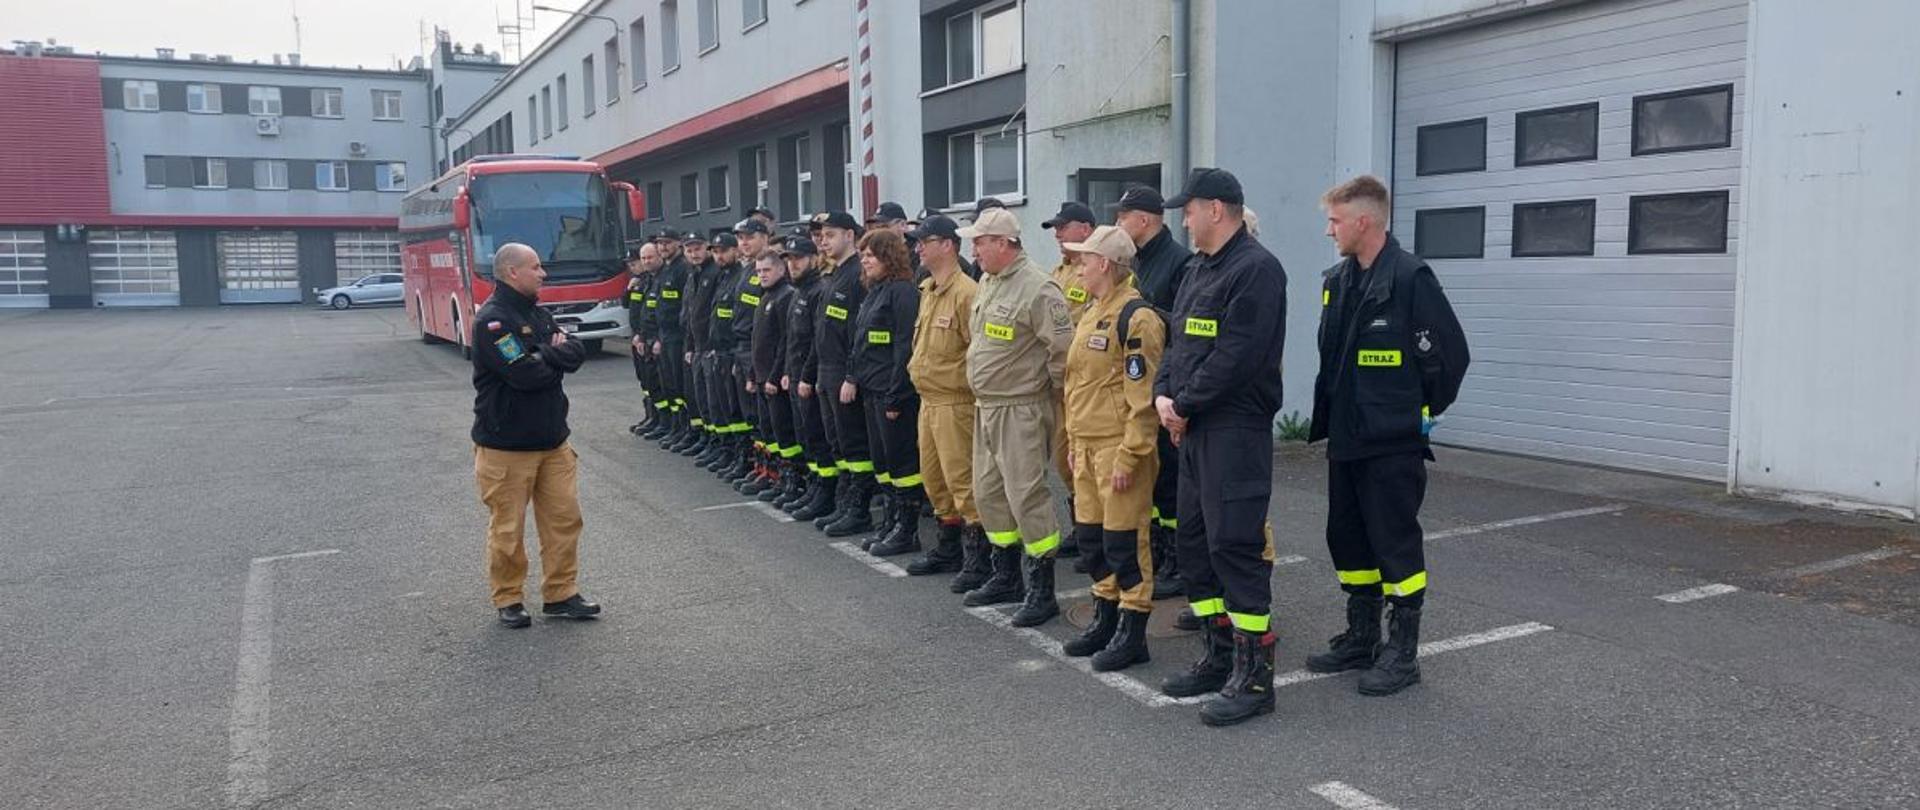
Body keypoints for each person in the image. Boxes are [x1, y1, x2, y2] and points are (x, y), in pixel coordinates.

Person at [1306, 175, 1469, 696]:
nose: (1329, 231)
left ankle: (1402, 652)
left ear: (1363, 221)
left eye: (1335, 221)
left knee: (1394, 544)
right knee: (1347, 539)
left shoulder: (1410, 278)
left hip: (1391, 442)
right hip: (1347, 438)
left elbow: (1451, 358)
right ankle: (1361, 634)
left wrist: (1416, 411)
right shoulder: (1338, 280)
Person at [1152, 168, 1288, 726]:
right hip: (1193, 425)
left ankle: (1255, 678)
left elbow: (1237, 355)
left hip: (1233, 428)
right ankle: (1219, 655)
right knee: (1195, 544)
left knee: (1235, 546)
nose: (1182, 218)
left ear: (1217, 209)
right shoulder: (1198, 271)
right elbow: (1178, 344)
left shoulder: (1256, 270)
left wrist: (1182, 405)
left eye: (1188, 209)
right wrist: (1164, 394)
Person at [470, 243, 600, 628]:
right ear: (512, 272)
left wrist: (543, 354)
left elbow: (576, 352)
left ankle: (560, 595)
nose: (543, 273)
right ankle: (509, 598)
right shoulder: (492, 322)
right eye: (536, 266)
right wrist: (550, 356)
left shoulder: (539, 315)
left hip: (553, 441)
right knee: (508, 529)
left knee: (564, 520)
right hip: (506, 446)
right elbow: (524, 375)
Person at [958, 207, 1074, 627]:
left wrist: (1055, 401)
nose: (974, 248)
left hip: (1022, 407)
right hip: (986, 405)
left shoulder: (1038, 287)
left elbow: (1062, 351)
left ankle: (1042, 588)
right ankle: (1005, 573)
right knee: (988, 492)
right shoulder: (989, 281)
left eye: (980, 241)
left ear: (1004, 244)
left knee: (1027, 494)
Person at [1058, 225, 1165, 672]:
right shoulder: (1092, 311)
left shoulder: (1137, 318)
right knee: (1092, 539)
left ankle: (1132, 628)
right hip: (1085, 446)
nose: (1078, 265)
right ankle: (1104, 614)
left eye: (1085, 259)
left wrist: (1130, 453)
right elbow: (1078, 381)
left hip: (1118, 450)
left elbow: (1143, 398)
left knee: (1125, 541)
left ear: (1105, 263)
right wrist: (1073, 441)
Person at [1114, 184, 1192, 599]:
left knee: (1173, 482)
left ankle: (1179, 561)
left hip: (1167, 389)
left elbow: (1182, 328)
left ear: (1143, 220)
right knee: (1156, 479)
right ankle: (1162, 553)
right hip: (1141, 386)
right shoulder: (1137, 261)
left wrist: (1143, 316)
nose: (1118, 224)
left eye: (1122, 217)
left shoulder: (1178, 262)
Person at [902, 215, 985, 585]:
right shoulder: (928, 290)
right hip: (929, 400)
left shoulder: (967, 293)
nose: (917, 247)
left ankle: (978, 559)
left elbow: (977, 354)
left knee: (962, 482)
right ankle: (949, 548)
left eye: (925, 240)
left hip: (956, 403)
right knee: (935, 481)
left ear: (948, 245)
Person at [848, 229, 925, 556]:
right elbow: (863, 340)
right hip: (872, 391)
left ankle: (906, 530)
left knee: (902, 462)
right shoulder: (875, 292)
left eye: (871, 254)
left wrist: (896, 396)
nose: (864, 260)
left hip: (893, 396)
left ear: (889, 257)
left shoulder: (902, 293)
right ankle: (891, 522)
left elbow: (904, 348)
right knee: (882, 461)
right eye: (863, 254)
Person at [811, 212, 881, 538]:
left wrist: (852, 376)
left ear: (850, 236)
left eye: (831, 234)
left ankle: (859, 509)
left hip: (844, 373)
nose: (823, 241)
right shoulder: (834, 274)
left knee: (854, 444)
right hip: (827, 371)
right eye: (822, 236)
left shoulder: (857, 276)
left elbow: (861, 331)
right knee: (836, 443)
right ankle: (844, 502)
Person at [777, 233, 838, 518]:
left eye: (798, 259)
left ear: (814, 259)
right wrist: (789, 372)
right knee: (806, 437)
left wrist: (806, 376)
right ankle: (815, 486)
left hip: (810, 379)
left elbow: (817, 340)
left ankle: (826, 493)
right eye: (789, 260)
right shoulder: (798, 291)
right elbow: (792, 339)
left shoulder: (818, 291)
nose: (793, 265)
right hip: (797, 375)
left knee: (818, 437)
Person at [720, 219, 773, 484]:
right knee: (748, 413)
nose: (743, 243)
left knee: (764, 415)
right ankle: (757, 465)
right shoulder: (746, 270)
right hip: (740, 348)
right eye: (740, 238)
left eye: (749, 237)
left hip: (757, 349)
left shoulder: (770, 269)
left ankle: (772, 472)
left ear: (764, 236)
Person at [748, 250, 798, 497]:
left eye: (766, 270)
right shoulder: (765, 296)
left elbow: (784, 341)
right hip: (761, 376)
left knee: (783, 431)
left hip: (774, 380)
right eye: (758, 271)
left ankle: (790, 480)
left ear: (781, 269)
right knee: (767, 429)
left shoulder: (785, 296)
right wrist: (752, 374)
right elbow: (757, 340)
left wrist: (774, 376)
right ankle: (772, 473)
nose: (761, 275)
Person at [700, 233, 750, 476]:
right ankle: (728, 451)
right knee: (720, 406)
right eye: (716, 251)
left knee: (736, 410)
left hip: (733, 353)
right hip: (718, 351)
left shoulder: (740, 277)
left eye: (724, 251)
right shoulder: (723, 277)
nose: (719, 255)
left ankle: (742, 457)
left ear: (735, 251)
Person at [675, 233, 720, 457]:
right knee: (700, 397)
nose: (694, 254)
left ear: (707, 249)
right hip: (696, 346)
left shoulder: (714, 273)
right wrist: (690, 346)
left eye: (698, 249)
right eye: (690, 250)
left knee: (714, 401)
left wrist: (710, 345)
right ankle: (706, 438)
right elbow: (691, 314)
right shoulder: (694, 274)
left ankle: (718, 444)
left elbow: (712, 315)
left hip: (711, 347)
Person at [650, 229, 691, 448]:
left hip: (678, 337)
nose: (663, 247)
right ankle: (676, 427)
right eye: (660, 243)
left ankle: (686, 429)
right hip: (665, 337)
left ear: (678, 244)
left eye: (667, 243)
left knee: (680, 385)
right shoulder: (664, 271)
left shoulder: (682, 269)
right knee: (670, 386)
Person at [625, 244, 663, 436]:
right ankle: (651, 416)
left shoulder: (654, 280)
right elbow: (630, 306)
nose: (636, 266)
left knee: (657, 382)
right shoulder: (641, 282)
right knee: (645, 381)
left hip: (650, 338)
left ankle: (661, 421)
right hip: (639, 337)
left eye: (637, 262)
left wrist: (649, 336)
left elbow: (655, 312)